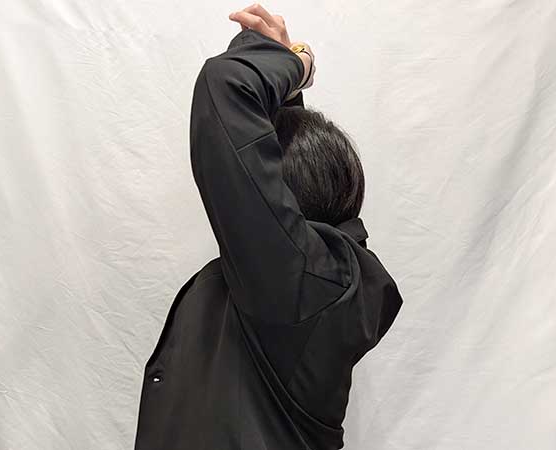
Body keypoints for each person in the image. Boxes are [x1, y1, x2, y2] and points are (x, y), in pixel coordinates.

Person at [134, 4, 403, 449]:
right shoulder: (312, 289)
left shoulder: (297, 285)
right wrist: (283, 86)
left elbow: (225, 86)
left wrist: (298, 63)